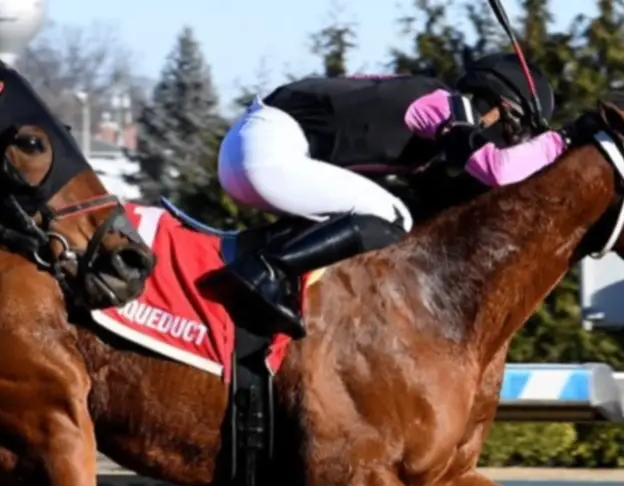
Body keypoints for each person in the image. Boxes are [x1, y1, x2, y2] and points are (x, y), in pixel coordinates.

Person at [211, 53, 573, 339]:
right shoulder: (447, 107)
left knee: (384, 212)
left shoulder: (433, 113)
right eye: (517, 128)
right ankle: (267, 269)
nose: (514, 141)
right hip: (265, 151)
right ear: (497, 105)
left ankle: (278, 272)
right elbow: (498, 170)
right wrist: (565, 141)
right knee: (393, 216)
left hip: (257, 149)